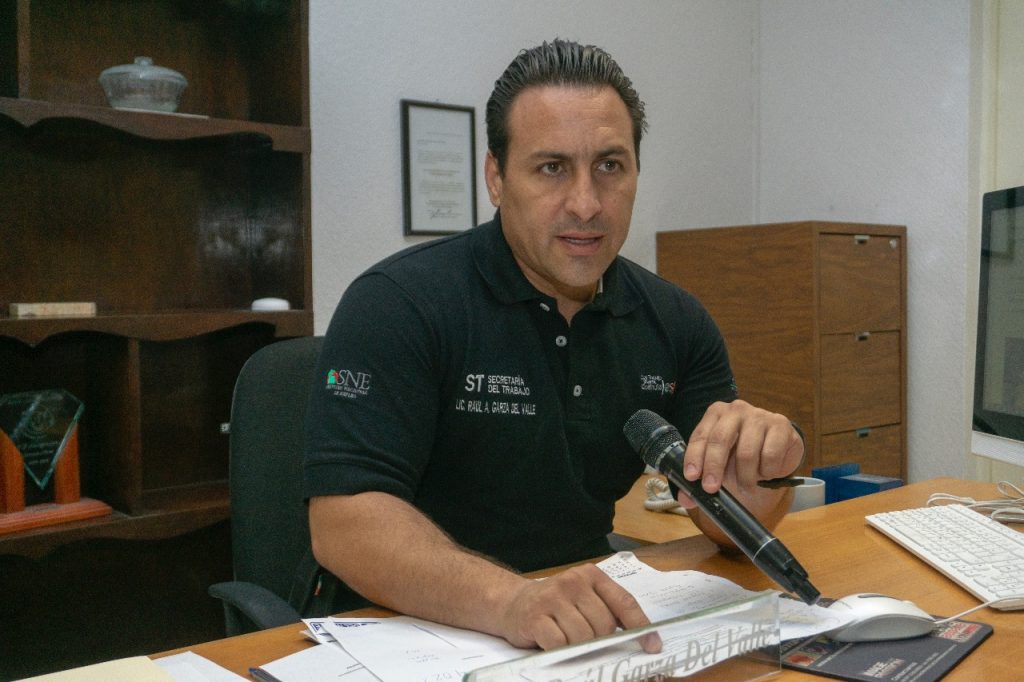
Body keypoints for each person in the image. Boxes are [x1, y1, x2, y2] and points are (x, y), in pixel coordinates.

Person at [304, 38, 804, 652]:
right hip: (401, 635)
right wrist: (511, 601)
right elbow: (343, 524)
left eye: (610, 166)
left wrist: (763, 472)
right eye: (552, 168)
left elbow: (725, 525)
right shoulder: (397, 303)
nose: (586, 204)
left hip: (581, 628)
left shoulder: (677, 322)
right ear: (496, 177)